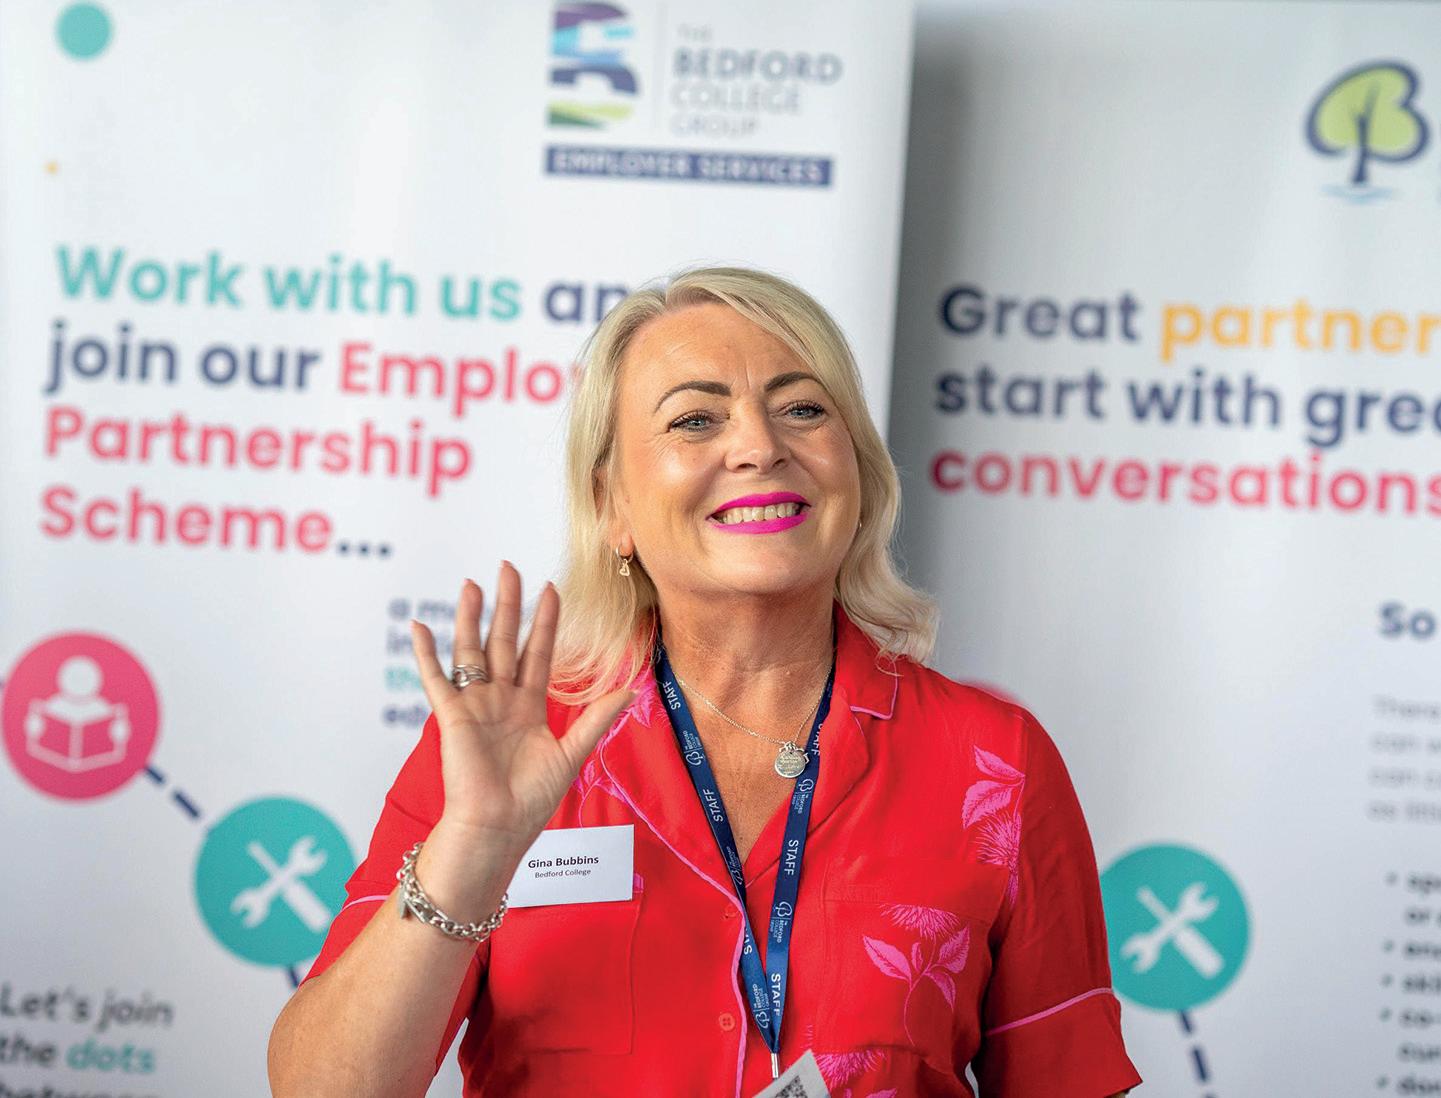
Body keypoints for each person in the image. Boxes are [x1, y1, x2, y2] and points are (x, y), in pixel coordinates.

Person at [267, 266, 1142, 1097]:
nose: (759, 447)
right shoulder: (512, 747)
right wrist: (472, 851)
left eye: (802, 409)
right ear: (611, 505)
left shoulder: (994, 762)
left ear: (859, 476)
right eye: (694, 420)